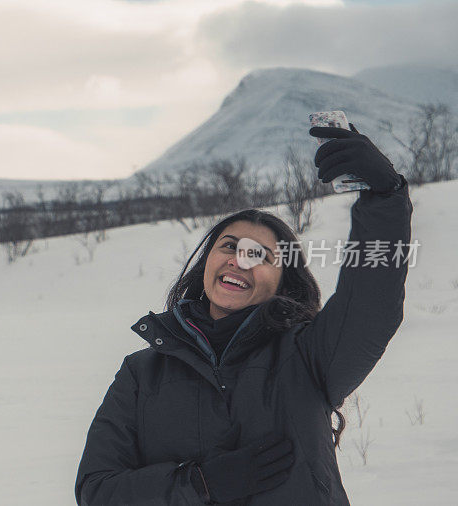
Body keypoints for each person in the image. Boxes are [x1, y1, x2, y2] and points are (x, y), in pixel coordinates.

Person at [74, 124, 413, 505]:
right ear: (206, 262)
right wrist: (200, 485)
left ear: (284, 280)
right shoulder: (142, 373)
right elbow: (96, 491)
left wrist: (385, 199)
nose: (239, 260)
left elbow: (372, 304)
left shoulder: (308, 355)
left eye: (260, 255)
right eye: (229, 246)